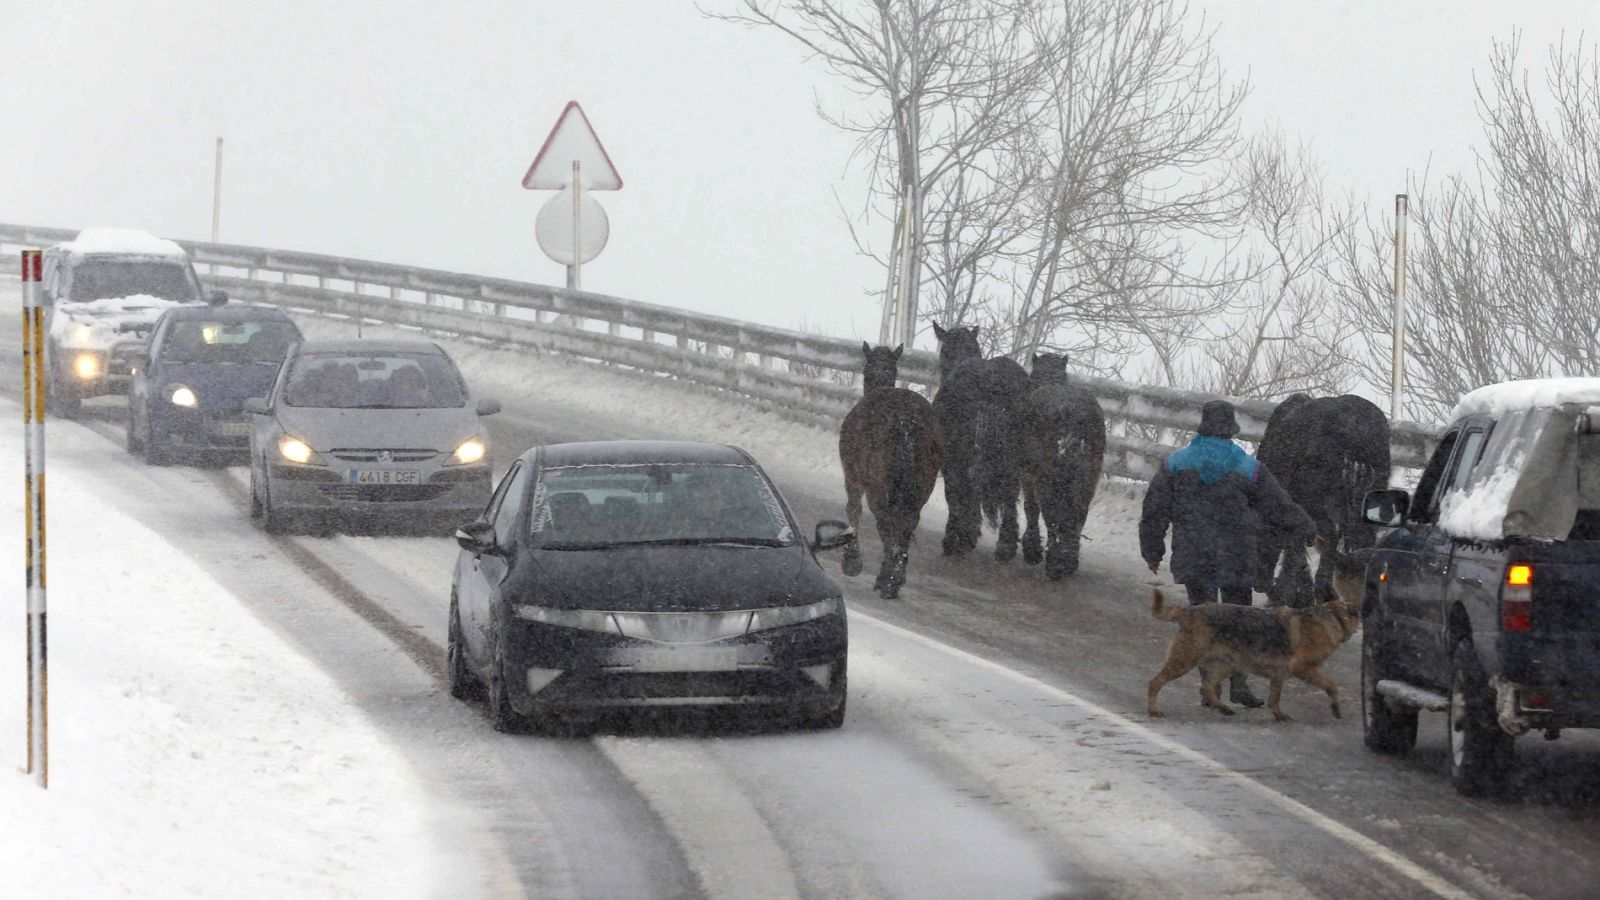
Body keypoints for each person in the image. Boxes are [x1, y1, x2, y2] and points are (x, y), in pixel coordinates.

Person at [1139, 400, 1318, 708]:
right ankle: (1238, 684)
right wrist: (1306, 527)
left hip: (1195, 554)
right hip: (1236, 554)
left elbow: (1154, 510)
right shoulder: (1248, 467)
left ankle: (1210, 687)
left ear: (1202, 428)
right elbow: (1278, 505)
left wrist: (1152, 549)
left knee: (1203, 622)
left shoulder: (1176, 463)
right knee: (1241, 624)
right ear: (1230, 432)